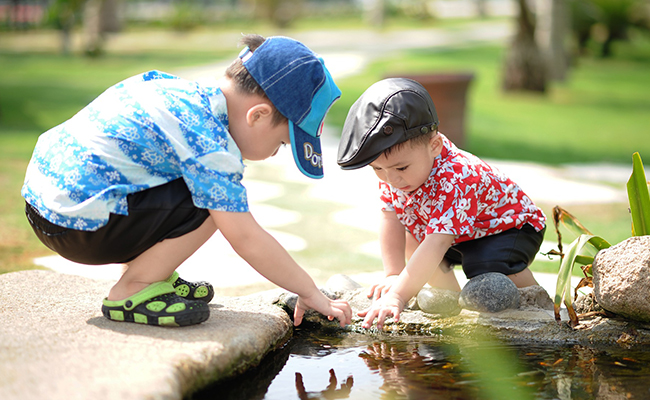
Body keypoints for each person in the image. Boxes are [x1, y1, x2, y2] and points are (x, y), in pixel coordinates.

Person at [22, 34, 352, 328]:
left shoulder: (180, 92)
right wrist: (308, 291)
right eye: (281, 144)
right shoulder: (209, 141)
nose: (273, 154)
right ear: (259, 115)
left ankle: (154, 275)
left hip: (46, 204)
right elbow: (245, 238)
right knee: (216, 205)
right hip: (77, 226)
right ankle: (133, 289)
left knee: (203, 188)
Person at [337, 78, 546, 329]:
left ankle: (537, 304)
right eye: (377, 169)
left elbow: (438, 242)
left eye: (401, 167)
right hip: (458, 233)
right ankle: (451, 305)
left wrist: (397, 296)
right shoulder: (394, 174)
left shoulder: (457, 176)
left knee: (485, 266)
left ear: (434, 146)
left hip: (509, 228)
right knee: (414, 238)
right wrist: (394, 274)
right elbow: (390, 217)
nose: (391, 178)